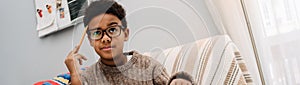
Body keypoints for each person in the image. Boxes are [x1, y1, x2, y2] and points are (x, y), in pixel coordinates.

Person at [64, 0, 194, 85]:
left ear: (125, 34)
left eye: (112, 29)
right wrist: (74, 73)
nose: (105, 38)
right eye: (97, 33)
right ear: (90, 41)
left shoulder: (148, 66)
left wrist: (180, 80)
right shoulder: (87, 77)